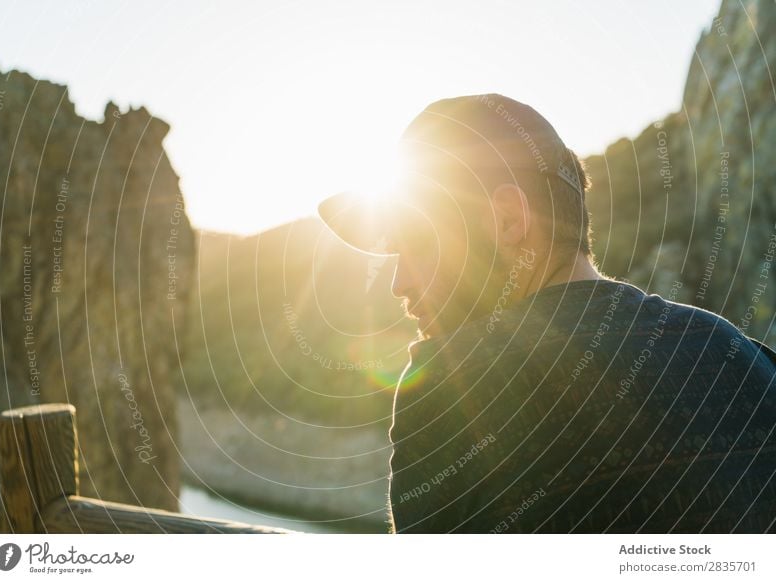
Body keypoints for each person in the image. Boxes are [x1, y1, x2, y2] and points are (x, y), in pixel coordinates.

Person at [318, 94, 776, 533]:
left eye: (417, 243)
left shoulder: (454, 391)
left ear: (509, 221)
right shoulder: (748, 360)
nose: (399, 283)